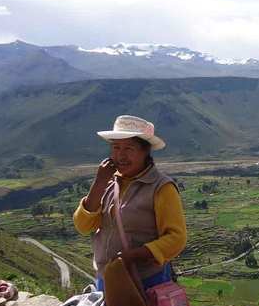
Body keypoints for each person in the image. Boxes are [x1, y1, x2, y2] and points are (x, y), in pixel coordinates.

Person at [73, 115, 186, 292]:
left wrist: (133, 256)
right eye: (115, 148)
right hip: (107, 276)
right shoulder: (109, 182)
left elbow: (176, 238)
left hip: (146, 280)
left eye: (129, 148)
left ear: (146, 150)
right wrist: (99, 183)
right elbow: (83, 225)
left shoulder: (161, 188)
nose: (120, 155)